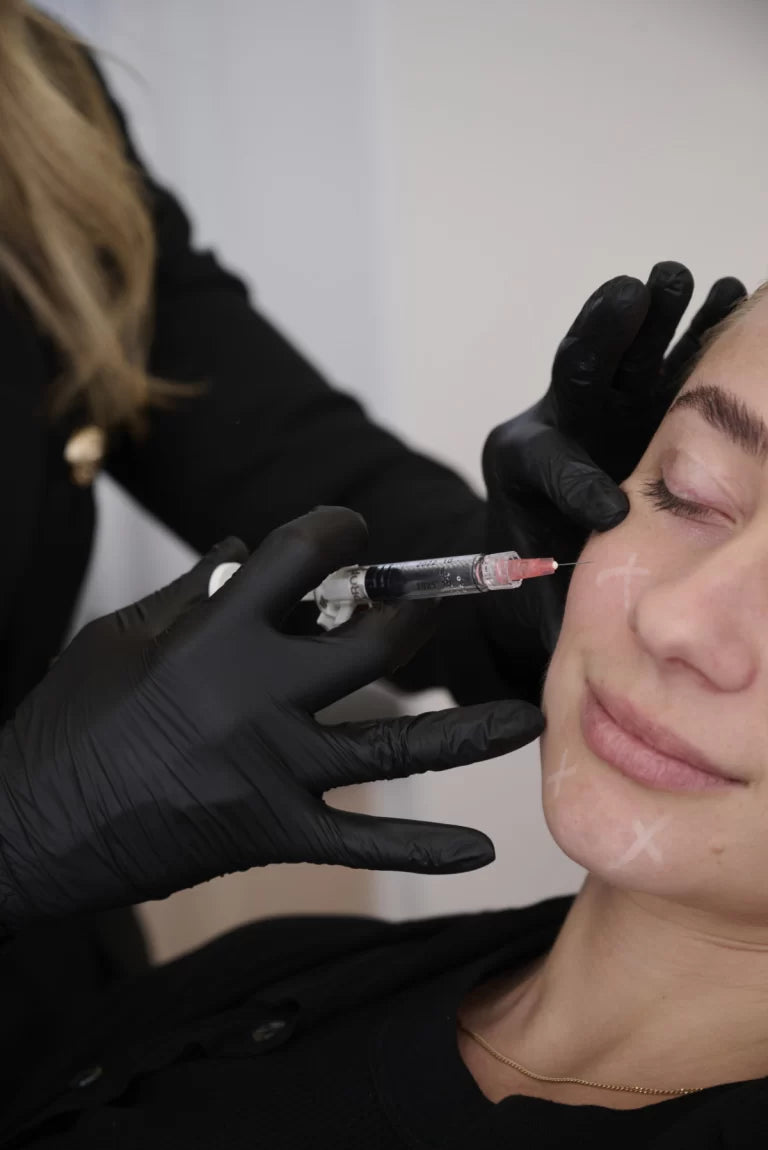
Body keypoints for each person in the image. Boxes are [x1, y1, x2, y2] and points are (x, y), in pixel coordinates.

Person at [0, 2, 746, 1143]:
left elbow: (258, 439)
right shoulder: (248, 982)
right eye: (685, 492)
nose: (679, 615)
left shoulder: (27, 108)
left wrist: (485, 577)